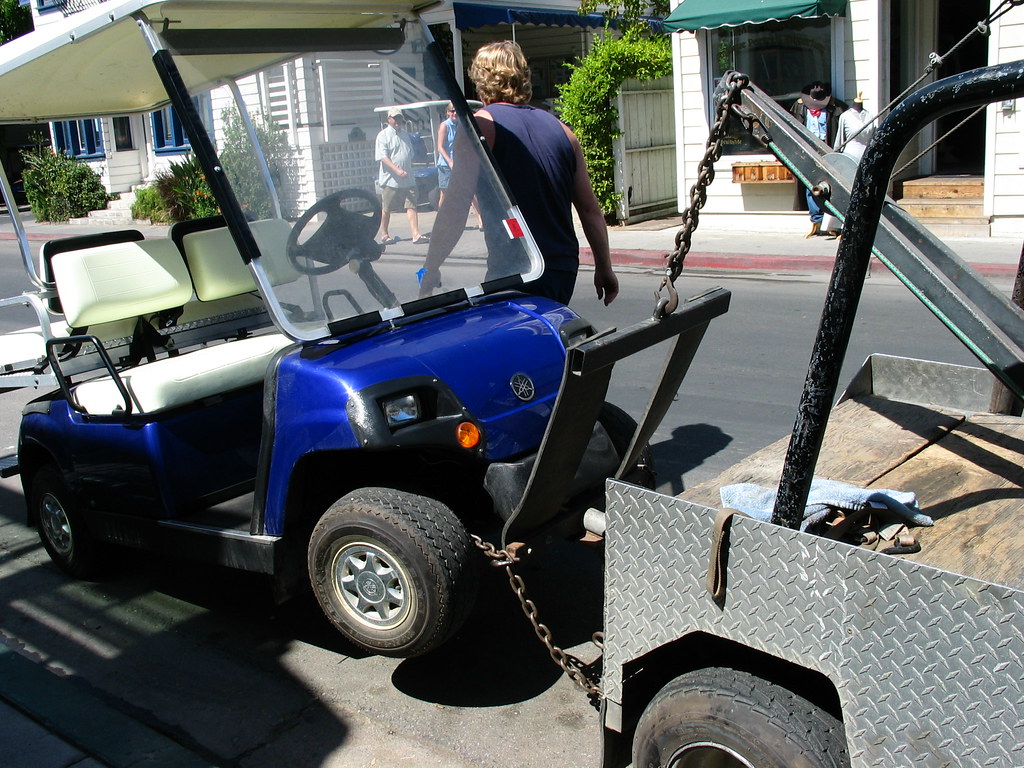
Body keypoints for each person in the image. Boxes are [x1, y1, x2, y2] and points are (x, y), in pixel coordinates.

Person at [420, 41, 617, 306]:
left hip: (516, 270)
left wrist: (430, 268)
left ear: (482, 79)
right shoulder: (562, 130)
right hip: (562, 269)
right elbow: (590, 209)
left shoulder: (481, 126)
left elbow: (455, 207)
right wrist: (605, 268)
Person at [790, 81, 846, 238]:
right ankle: (816, 220)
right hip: (808, 150)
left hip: (827, 150)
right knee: (810, 186)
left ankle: (833, 224)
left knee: (832, 186)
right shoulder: (800, 107)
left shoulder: (836, 109)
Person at [822, 91, 875, 238]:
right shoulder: (845, 116)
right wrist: (835, 156)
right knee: (846, 189)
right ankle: (837, 224)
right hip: (850, 152)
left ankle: (857, 221)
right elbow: (840, 139)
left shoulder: (870, 116)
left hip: (865, 155)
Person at [375, 106, 428, 245]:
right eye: (395, 118)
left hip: (407, 178)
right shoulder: (383, 135)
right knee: (387, 207)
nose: (398, 120)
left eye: (400, 118)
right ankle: (385, 234)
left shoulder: (405, 134)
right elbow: (383, 158)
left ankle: (416, 234)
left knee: (411, 205)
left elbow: (409, 153)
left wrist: (406, 168)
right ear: (389, 119)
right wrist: (397, 170)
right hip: (390, 179)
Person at [435, 102, 483, 227]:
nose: (454, 113)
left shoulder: (461, 125)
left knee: (470, 191)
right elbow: (440, 147)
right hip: (446, 165)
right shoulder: (444, 126)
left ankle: (480, 219)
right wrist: (450, 161)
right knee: (445, 194)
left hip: (461, 164)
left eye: (456, 110)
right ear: (447, 112)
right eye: (451, 111)